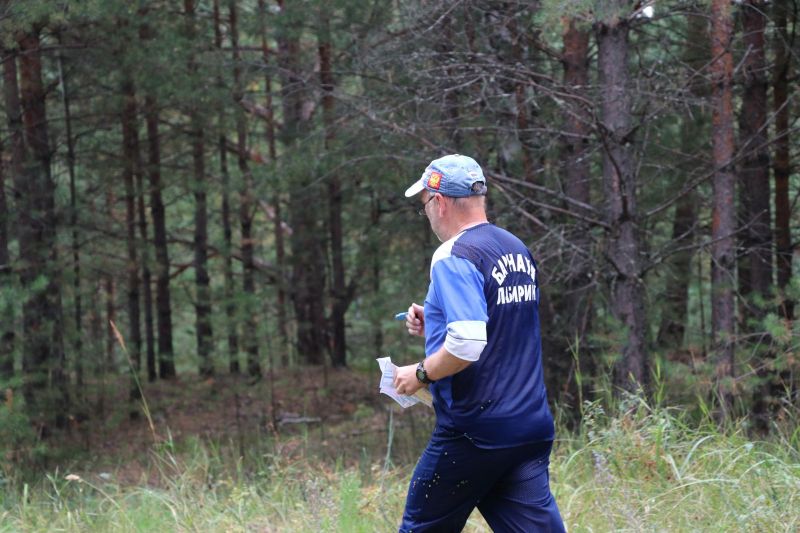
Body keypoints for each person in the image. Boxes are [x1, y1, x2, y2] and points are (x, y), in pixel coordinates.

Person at [393, 154, 565, 532]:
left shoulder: (454, 254)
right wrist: (437, 319)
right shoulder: (515, 248)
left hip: (476, 431)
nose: (427, 215)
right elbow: (506, 323)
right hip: (530, 425)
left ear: (439, 202)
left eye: (424, 205)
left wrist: (419, 373)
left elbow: (468, 343)